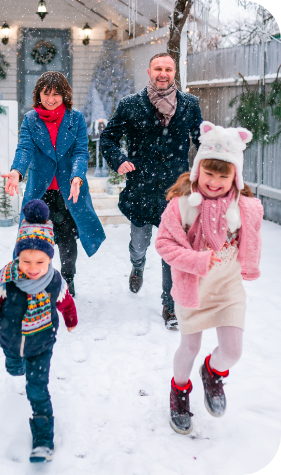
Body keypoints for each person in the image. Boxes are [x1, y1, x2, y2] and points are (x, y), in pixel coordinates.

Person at [155, 122, 263, 434]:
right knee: (189, 347)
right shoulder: (181, 207)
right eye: (209, 173)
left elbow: (251, 239)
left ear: (236, 177)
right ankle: (179, 390)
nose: (214, 182)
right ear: (198, 169)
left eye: (223, 174)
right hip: (193, 288)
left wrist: (250, 265)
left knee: (233, 350)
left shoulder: (244, 207)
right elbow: (164, 244)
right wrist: (197, 259)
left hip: (228, 288)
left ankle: (212, 372)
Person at [0, 200, 77, 463]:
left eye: (40, 260)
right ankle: (14, 363)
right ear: (17, 257)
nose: (33, 267)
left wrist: (71, 320)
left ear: (50, 258)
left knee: (37, 390)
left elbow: (66, 302)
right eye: (25, 260)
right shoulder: (6, 279)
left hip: (42, 344)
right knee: (14, 366)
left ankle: (43, 440)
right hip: (11, 340)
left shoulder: (55, 281)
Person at [100, 52, 203, 330]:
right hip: (141, 190)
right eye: (158, 68)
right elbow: (108, 138)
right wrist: (119, 160)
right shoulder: (130, 105)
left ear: (174, 73)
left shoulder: (190, 104)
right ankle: (137, 264)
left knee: (172, 251)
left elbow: (202, 141)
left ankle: (170, 306)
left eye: (168, 69)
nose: (163, 73)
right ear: (149, 72)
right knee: (139, 241)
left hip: (175, 192)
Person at [2, 71, 105, 296]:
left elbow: (80, 151)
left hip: (69, 190)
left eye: (56, 94)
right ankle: (35, 280)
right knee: (34, 239)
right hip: (41, 191)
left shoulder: (75, 117)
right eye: (46, 93)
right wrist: (17, 171)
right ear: (38, 94)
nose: (51, 99)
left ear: (64, 95)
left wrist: (77, 176)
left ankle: (68, 279)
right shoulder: (31, 119)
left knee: (67, 239)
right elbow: (25, 148)